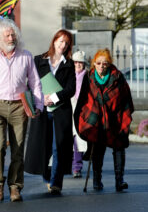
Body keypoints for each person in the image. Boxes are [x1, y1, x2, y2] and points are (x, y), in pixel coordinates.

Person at [0, 18, 43, 202]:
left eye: (13, 34)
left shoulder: (26, 56)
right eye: (7, 35)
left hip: (19, 106)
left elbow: (35, 83)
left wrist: (38, 105)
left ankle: (15, 187)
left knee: (18, 148)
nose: (11, 37)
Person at [74, 48, 134, 192]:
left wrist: (123, 117)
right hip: (97, 120)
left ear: (109, 64)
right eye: (99, 63)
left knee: (119, 148)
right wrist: (88, 117)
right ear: (94, 64)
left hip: (116, 118)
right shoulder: (89, 78)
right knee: (97, 149)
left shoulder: (118, 77)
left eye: (105, 63)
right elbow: (83, 100)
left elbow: (126, 99)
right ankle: (96, 180)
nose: (102, 66)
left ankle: (119, 180)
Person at [24, 29, 76, 195]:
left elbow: (71, 89)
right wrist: (40, 98)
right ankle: (47, 177)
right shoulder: (39, 60)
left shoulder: (69, 63)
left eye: (66, 43)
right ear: (54, 41)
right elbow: (30, 83)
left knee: (58, 147)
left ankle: (56, 182)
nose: (63, 45)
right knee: (43, 146)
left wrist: (53, 97)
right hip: (42, 108)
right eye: (61, 41)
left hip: (61, 111)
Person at [71, 50, 88, 178]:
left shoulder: (87, 76)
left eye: (80, 62)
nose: (77, 64)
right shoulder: (69, 75)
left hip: (82, 108)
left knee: (79, 139)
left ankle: (77, 167)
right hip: (69, 106)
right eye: (75, 62)